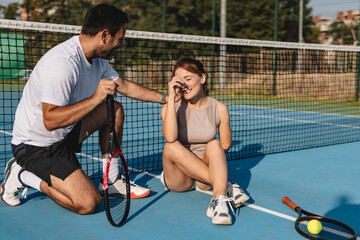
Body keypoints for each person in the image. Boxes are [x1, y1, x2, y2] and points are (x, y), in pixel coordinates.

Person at [0, 4, 168, 214]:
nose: (121, 44)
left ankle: (112, 179)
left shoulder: (98, 60)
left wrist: (167, 99)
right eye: (120, 38)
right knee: (88, 203)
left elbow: (123, 86)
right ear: (105, 35)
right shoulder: (62, 64)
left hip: (65, 135)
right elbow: (50, 121)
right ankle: (21, 175)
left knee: (114, 110)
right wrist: (96, 98)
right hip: (36, 147)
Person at [160, 58, 249, 225]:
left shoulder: (220, 108)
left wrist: (200, 159)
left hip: (204, 179)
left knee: (214, 144)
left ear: (202, 78)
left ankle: (218, 200)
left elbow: (225, 145)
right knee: (170, 146)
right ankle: (226, 185)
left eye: (188, 79)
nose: (184, 85)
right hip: (179, 177)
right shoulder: (170, 107)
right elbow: (170, 138)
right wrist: (171, 98)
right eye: (179, 81)